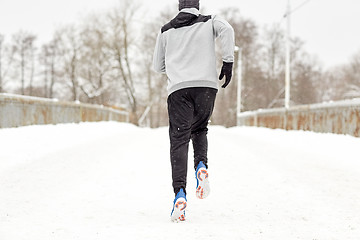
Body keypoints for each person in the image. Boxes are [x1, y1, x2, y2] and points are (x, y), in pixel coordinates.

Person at [153, 0, 235, 222]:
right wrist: (228, 62)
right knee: (200, 129)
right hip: (206, 86)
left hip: (179, 90)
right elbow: (227, 29)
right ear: (197, 5)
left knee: (179, 140)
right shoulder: (209, 21)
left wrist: (177, 64)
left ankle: (179, 194)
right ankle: (201, 166)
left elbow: (157, 66)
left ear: (179, 6)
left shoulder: (166, 30)